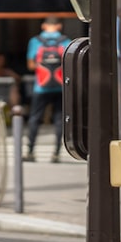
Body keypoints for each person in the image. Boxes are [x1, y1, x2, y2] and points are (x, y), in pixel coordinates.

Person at [25, 16, 70, 163]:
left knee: (35, 118)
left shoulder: (35, 41)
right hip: (60, 86)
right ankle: (56, 153)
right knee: (59, 119)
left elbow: (31, 65)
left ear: (44, 26)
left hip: (41, 87)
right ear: (59, 26)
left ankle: (31, 151)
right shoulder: (65, 41)